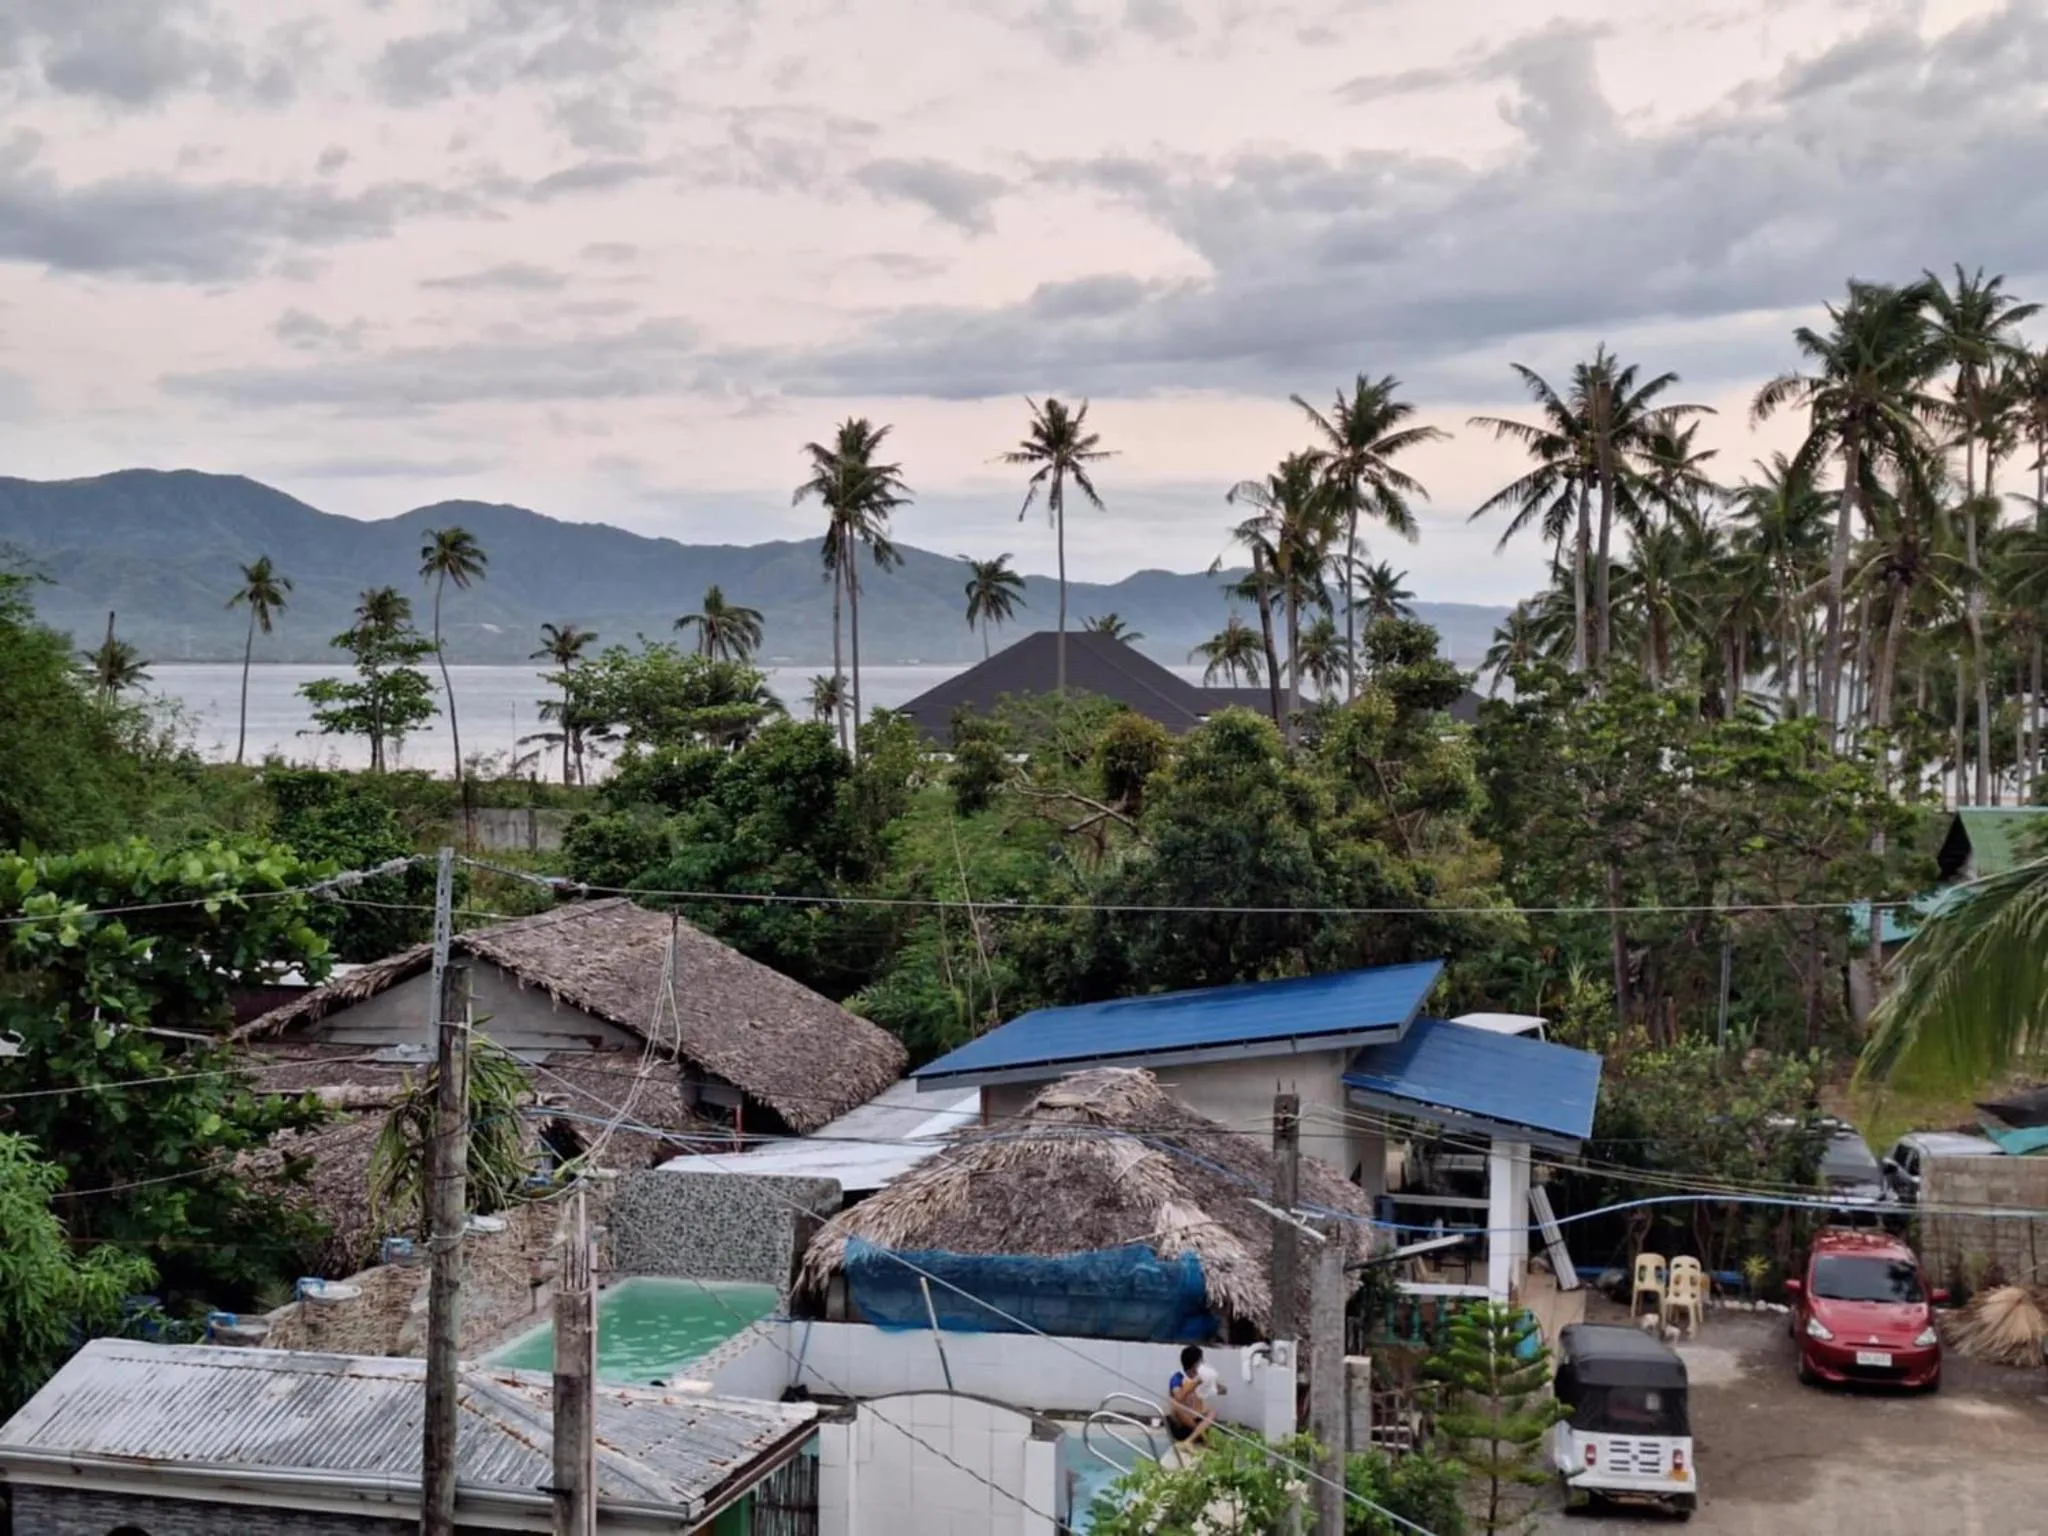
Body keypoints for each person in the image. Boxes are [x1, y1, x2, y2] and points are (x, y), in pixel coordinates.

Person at [1167, 1344, 1218, 1446]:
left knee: (1212, 1412)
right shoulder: (1177, 1378)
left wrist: (1212, 1382)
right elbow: (1179, 1397)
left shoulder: (1201, 1376)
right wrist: (1196, 1383)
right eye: (1200, 1361)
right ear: (1194, 1364)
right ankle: (1202, 1435)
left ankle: (1190, 1440)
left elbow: (1221, 1390)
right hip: (1181, 1424)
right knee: (1175, 1405)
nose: (1203, 1364)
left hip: (1195, 1419)